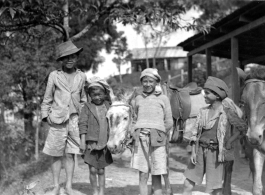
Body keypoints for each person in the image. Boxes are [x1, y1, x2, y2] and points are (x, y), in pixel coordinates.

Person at [183, 76, 247, 195]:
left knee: (215, 189)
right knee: (187, 183)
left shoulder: (228, 112)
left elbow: (242, 128)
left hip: (216, 153)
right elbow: (195, 134)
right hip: (199, 151)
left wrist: (229, 141)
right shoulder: (203, 111)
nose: (204, 95)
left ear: (217, 95)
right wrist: (193, 151)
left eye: (207, 93)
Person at [41, 40, 87, 195]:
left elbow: (83, 99)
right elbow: (47, 98)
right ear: (61, 59)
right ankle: (55, 186)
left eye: (73, 56)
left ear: (77, 57)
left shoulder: (81, 76)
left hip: (75, 119)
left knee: (70, 153)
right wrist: (45, 116)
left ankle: (68, 186)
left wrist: (83, 116)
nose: (69, 59)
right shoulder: (54, 76)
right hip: (57, 119)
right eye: (66, 57)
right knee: (55, 154)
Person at [131, 68, 173, 195]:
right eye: (145, 81)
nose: (148, 84)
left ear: (156, 83)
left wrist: (160, 133)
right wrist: (133, 133)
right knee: (143, 173)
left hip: (158, 139)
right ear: (141, 82)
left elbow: (169, 121)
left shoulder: (163, 99)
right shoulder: (137, 99)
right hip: (140, 139)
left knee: (157, 172)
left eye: (151, 81)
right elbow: (133, 119)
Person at [79, 77, 113, 195]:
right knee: (93, 170)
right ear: (90, 96)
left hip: (104, 142)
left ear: (105, 93)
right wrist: (83, 141)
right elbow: (82, 124)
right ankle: (94, 191)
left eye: (100, 94)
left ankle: (102, 192)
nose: (97, 97)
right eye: (94, 95)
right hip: (91, 143)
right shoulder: (87, 107)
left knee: (101, 170)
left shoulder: (109, 106)